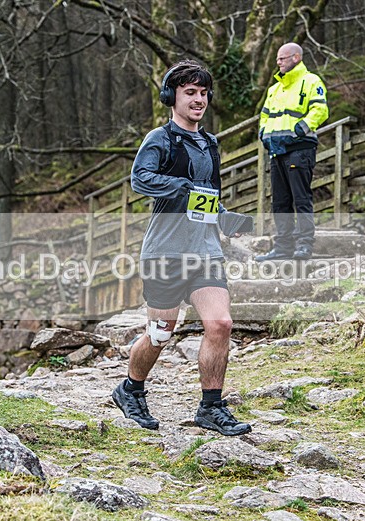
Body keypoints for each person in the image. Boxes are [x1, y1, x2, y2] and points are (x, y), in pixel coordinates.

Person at [111, 60, 251, 436]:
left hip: (205, 251)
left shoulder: (210, 143)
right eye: (190, 92)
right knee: (160, 332)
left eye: (203, 93)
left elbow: (208, 197)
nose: (199, 100)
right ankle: (130, 389)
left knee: (220, 324)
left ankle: (211, 407)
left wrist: (226, 218)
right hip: (165, 252)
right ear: (171, 97)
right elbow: (140, 179)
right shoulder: (160, 139)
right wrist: (181, 187)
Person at [256, 43, 329, 261]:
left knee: (301, 198)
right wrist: (263, 134)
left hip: (300, 149)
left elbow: (320, 110)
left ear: (296, 58)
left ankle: (304, 245)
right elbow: (264, 115)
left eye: (282, 58)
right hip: (276, 150)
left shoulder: (311, 81)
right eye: (277, 58)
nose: (278, 62)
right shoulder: (274, 89)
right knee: (280, 201)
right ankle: (283, 247)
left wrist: (300, 130)